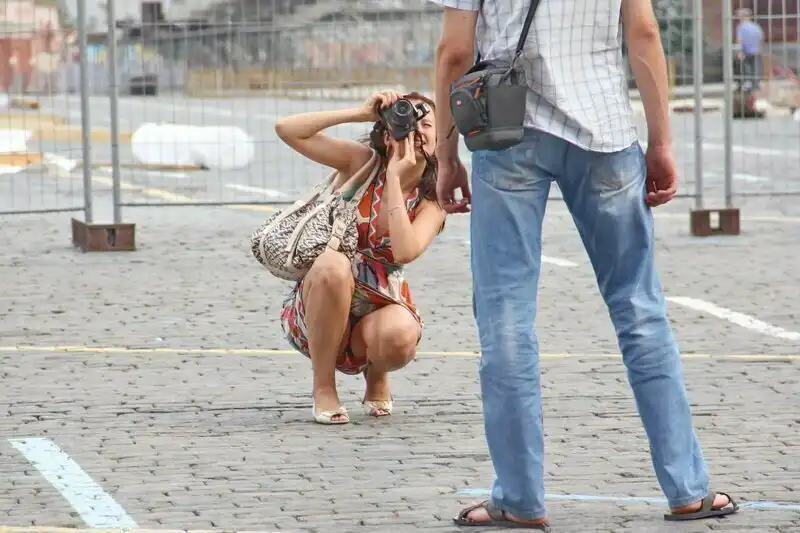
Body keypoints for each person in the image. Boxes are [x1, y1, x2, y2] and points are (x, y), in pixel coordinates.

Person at [429, 0, 739, 528]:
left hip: (506, 129)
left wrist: (445, 155)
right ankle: (688, 489)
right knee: (639, 309)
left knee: (506, 317)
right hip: (604, 130)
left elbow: (454, 51)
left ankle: (519, 499)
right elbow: (643, 32)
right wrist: (661, 142)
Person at [274, 90, 447, 425]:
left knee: (399, 337)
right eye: (408, 123)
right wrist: (360, 113)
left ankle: (377, 371)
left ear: (439, 139)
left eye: (426, 124)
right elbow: (286, 129)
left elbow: (404, 251)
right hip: (322, 296)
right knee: (333, 265)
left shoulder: (434, 198)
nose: (416, 131)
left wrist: (395, 177)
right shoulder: (361, 162)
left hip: (381, 301)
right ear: (387, 134)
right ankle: (324, 387)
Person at [735, 8, 764, 92]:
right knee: (756, 68)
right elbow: (760, 38)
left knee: (746, 68)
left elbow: (739, 40)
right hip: (756, 51)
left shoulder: (741, 26)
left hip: (746, 51)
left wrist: (739, 51)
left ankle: (747, 84)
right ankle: (756, 84)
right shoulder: (755, 26)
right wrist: (760, 49)